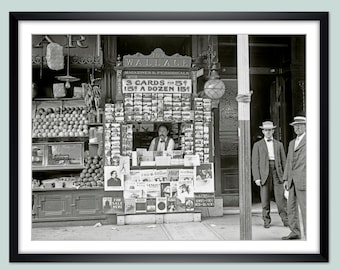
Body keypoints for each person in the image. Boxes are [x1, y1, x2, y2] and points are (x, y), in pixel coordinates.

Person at [251, 121, 288, 228]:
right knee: (265, 198)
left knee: (280, 198)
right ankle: (266, 220)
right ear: (263, 131)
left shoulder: (279, 144)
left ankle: (285, 219)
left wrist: (285, 177)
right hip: (264, 173)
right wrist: (257, 177)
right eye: (266, 130)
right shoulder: (257, 145)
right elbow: (255, 162)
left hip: (277, 172)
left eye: (270, 130)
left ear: (273, 131)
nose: (268, 132)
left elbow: (284, 161)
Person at [282, 115, 306, 240]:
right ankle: (295, 232)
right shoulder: (292, 143)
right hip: (291, 181)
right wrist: (286, 178)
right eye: (295, 126)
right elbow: (288, 162)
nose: (297, 128)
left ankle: (311, 235)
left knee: (306, 208)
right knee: (291, 208)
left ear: (305, 127)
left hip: (304, 180)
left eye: (300, 125)